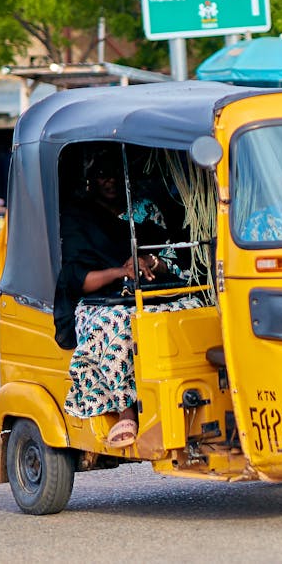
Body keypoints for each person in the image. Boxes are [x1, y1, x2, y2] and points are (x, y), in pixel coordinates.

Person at [55, 149, 201, 449]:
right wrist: (121, 271)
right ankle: (127, 409)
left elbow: (171, 258)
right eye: (100, 175)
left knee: (195, 309)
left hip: (150, 293)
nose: (108, 181)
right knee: (118, 325)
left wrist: (151, 262)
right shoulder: (78, 217)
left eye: (114, 175)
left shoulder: (145, 210)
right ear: (90, 181)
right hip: (100, 302)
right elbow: (79, 279)